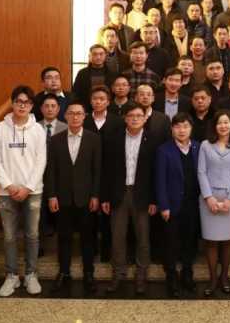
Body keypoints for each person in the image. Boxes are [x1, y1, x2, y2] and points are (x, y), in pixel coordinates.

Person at [0, 85, 48, 297]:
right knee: (9, 236)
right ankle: (12, 275)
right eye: (18, 102)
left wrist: (28, 187)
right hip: (6, 192)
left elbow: (41, 161)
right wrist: (9, 185)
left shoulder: (38, 130)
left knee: (32, 235)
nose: (22, 106)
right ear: (12, 103)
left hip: (33, 191)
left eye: (27, 102)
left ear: (32, 106)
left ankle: (31, 274)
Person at [44, 100, 102, 294]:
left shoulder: (94, 139)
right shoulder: (55, 140)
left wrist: (95, 195)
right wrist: (52, 195)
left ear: (84, 116)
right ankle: (64, 272)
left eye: (79, 113)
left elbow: (97, 170)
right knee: (64, 238)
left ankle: (88, 273)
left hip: (86, 198)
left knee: (88, 238)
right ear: (65, 116)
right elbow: (50, 171)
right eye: (72, 113)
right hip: (63, 198)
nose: (75, 117)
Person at [102, 103, 158, 295]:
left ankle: (141, 275)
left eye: (138, 116)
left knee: (143, 237)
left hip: (143, 195)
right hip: (119, 193)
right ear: (125, 118)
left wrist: (154, 200)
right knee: (118, 237)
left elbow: (155, 173)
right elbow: (107, 171)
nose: (135, 119)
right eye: (131, 116)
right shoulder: (114, 139)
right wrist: (105, 197)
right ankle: (118, 274)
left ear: (145, 118)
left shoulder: (153, 140)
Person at [197, 110, 230, 296]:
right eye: (220, 123)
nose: (223, 126)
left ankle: (224, 276)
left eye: (226, 122)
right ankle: (212, 279)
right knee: (210, 241)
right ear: (214, 126)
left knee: (228, 241)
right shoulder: (205, 145)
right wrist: (208, 197)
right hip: (208, 199)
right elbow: (201, 172)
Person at [155, 113, 202, 297]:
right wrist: (163, 206)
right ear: (172, 129)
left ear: (191, 128)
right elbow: (160, 180)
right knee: (171, 243)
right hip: (172, 205)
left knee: (190, 240)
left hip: (193, 203)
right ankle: (171, 276)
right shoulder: (164, 150)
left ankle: (187, 273)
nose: (182, 130)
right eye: (178, 127)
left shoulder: (198, 147)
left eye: (185, 126)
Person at [82, 85, 125, 261]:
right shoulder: (84, 120)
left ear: (108, 102)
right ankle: (90, 251)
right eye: (95, 99)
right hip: (87, 173)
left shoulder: (118, 121)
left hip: (110, 173)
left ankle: (107, 252)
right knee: (89, 215)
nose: (98, 102)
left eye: (102, 99)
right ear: (90, 101)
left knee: (108, 214)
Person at [37, 93, 67, 255]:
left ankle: (60, 247)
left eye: (53, 106)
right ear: (41, 109)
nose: (49, 109)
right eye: (46, 106)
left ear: (58, 109)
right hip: (38, 175)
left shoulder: (66, 127)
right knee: (39, 212)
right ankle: (39, 246)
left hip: (60, 175)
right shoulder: (33, 127)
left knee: (60, 212)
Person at [72, 45, 117, 110]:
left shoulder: (112, 73)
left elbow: (114, 93)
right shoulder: (82, 73)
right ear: (90, 56)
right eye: (95, 54)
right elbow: (76, 92)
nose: (98, 57)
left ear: (105, 56)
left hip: (108, 109)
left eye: (101, 54)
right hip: (86, 108)